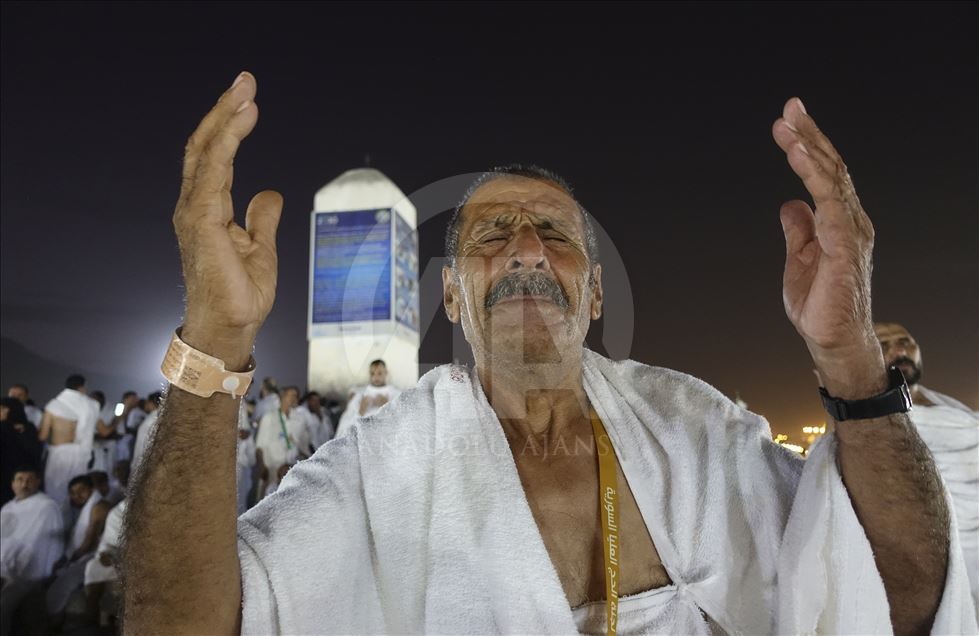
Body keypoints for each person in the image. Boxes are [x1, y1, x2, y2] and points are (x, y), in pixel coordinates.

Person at [122, 74, 977, 633]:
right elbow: (175, 622)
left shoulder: (698, 428)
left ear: (596, 292)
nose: (526, 248)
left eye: (554, 235)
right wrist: (216, 341)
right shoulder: (379, 465)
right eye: (492, 233)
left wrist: (848, 354)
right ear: (449, 294)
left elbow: (898, 600)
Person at [875, 321, 979, 615]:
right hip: (942, 561)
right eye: (884, 345)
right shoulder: (871, 419)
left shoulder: (945, 403)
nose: (900, 350)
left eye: (906, 341)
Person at [0, 467, 63, 636]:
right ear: (13, 484)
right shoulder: (7, 507)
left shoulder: (47, 507)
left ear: (37, 482)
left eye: (29, 480)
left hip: (28, 574)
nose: (24, 484)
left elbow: (49, 544)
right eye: (20, 479)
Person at [46, 475, 111, 616]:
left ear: (92, 489)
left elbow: (90, 540)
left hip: (96, 557)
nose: (77, 495)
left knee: (61, 587)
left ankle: (52, 622)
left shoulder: (99, 507)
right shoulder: (87, 507)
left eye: (81, 490)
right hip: (85, 557)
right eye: (73, 493)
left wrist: (69, 560)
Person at [39, 375, 99, 512]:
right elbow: (103, 431)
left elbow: (42, 436)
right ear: (82, 387)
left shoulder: (54, 405)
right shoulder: (91, 406)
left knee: (55, 493)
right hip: (81, 454)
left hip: (58, 456)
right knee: (78, 492)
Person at [254, 386, 309, 499]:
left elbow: (304, 445)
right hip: (272, 469)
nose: (294, 398)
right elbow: (260, 446)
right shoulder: (269, 417)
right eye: (290, 395)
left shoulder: (300, 418)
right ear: (282, 397)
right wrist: (262, 467)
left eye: (296, 396)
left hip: (292, 469)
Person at [335, 359, 401, 438]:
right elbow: (345, 426)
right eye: (372, 373)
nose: (376, 377)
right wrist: (361, 411)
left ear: (386, 373)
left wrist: (388, 406)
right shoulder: (359, 395)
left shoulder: (396, 394)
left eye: (379, 373)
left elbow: (403, 421)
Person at [0, 398, 43, 507]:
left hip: (21, 478)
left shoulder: (27, 428)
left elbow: (33, 452)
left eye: (3, 409)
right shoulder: (23, 428)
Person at [130, 392, 162, 475]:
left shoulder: (150, 420)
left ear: (151, 403)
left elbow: (141, 446)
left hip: (142, 465)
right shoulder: (162, 417)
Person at [236, 403, 256, 515]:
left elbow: (245, 431)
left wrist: (245, 434)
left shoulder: (242, 402)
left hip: (242, 464)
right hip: (226, 463)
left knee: (241, 501)